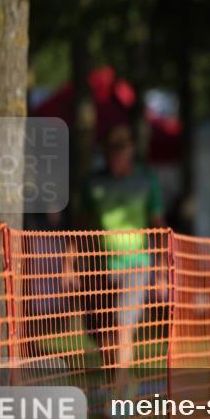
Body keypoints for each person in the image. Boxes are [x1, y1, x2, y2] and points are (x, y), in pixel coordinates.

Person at [81, 124, 164, 393]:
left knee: (121, 323)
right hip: (99, 267)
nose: (115, 157)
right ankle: (122, 384)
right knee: (102, 331)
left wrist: (162, 267)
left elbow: (158, 225)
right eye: (110, 152)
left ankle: (118, 390)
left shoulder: (146, 181)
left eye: (121, 151)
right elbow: (80, 227)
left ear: (130, 151)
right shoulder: (93, 184)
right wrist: (70, 263)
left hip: (135, 264)